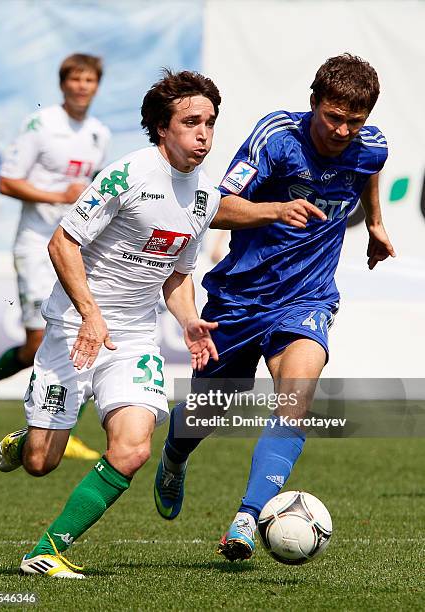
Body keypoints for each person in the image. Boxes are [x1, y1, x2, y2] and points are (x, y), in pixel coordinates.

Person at [154, 54, 395, 561]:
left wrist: (375, 223)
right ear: (313, 103)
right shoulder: (277, 136)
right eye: (333, 116)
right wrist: (276, 209)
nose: (342, 130)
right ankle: (174, 457)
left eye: (355, 121)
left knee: (296, 401)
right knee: (210, 410)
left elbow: (370, 168)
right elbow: (215, 208)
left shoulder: (369, 146)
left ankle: (247, 517)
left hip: (307, 298)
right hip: (241, 299)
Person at [0, 69, 222, 578]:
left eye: (209, 122)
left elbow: (178, 275)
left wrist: (188, 319)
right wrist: (91, 316)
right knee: (39, 462)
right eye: (191, 122)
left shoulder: (205, 197)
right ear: (162, 128)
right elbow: (62, 243)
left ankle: (47, 550)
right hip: (73, 329)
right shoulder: (128, 175)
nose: (203, 133)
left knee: (135, 448)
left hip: (136, 336)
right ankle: (29, 434)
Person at [0, 53, 111, 459]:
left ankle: (57, 429)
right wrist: (55, 195)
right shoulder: (41, 124)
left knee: (80, 337)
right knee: (36, 344)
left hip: (74, 246)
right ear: (63, 83)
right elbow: (7, 181)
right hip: (35, 244)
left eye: (90, 80)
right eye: (76, 79)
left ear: (96, 86)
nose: (82, 86)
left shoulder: (98, 133)